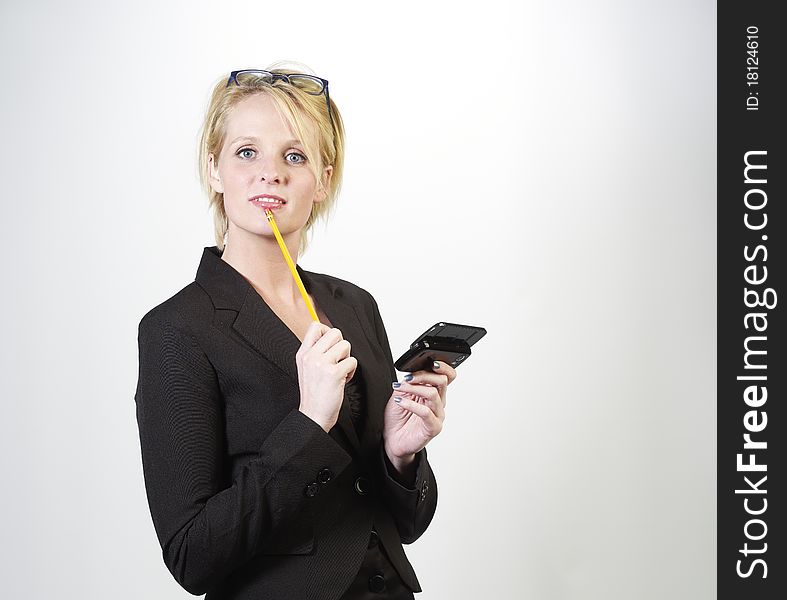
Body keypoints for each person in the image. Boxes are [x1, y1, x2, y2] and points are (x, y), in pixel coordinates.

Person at [134, 64, 457, 600]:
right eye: (246, 152)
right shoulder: (176, 330)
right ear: (214, 169)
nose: (271, 174)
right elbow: (191, 556)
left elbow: (405, 524)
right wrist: (309, 421)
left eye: (295, 155)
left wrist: (400, 456)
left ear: (323, 179)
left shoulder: (354, 305)